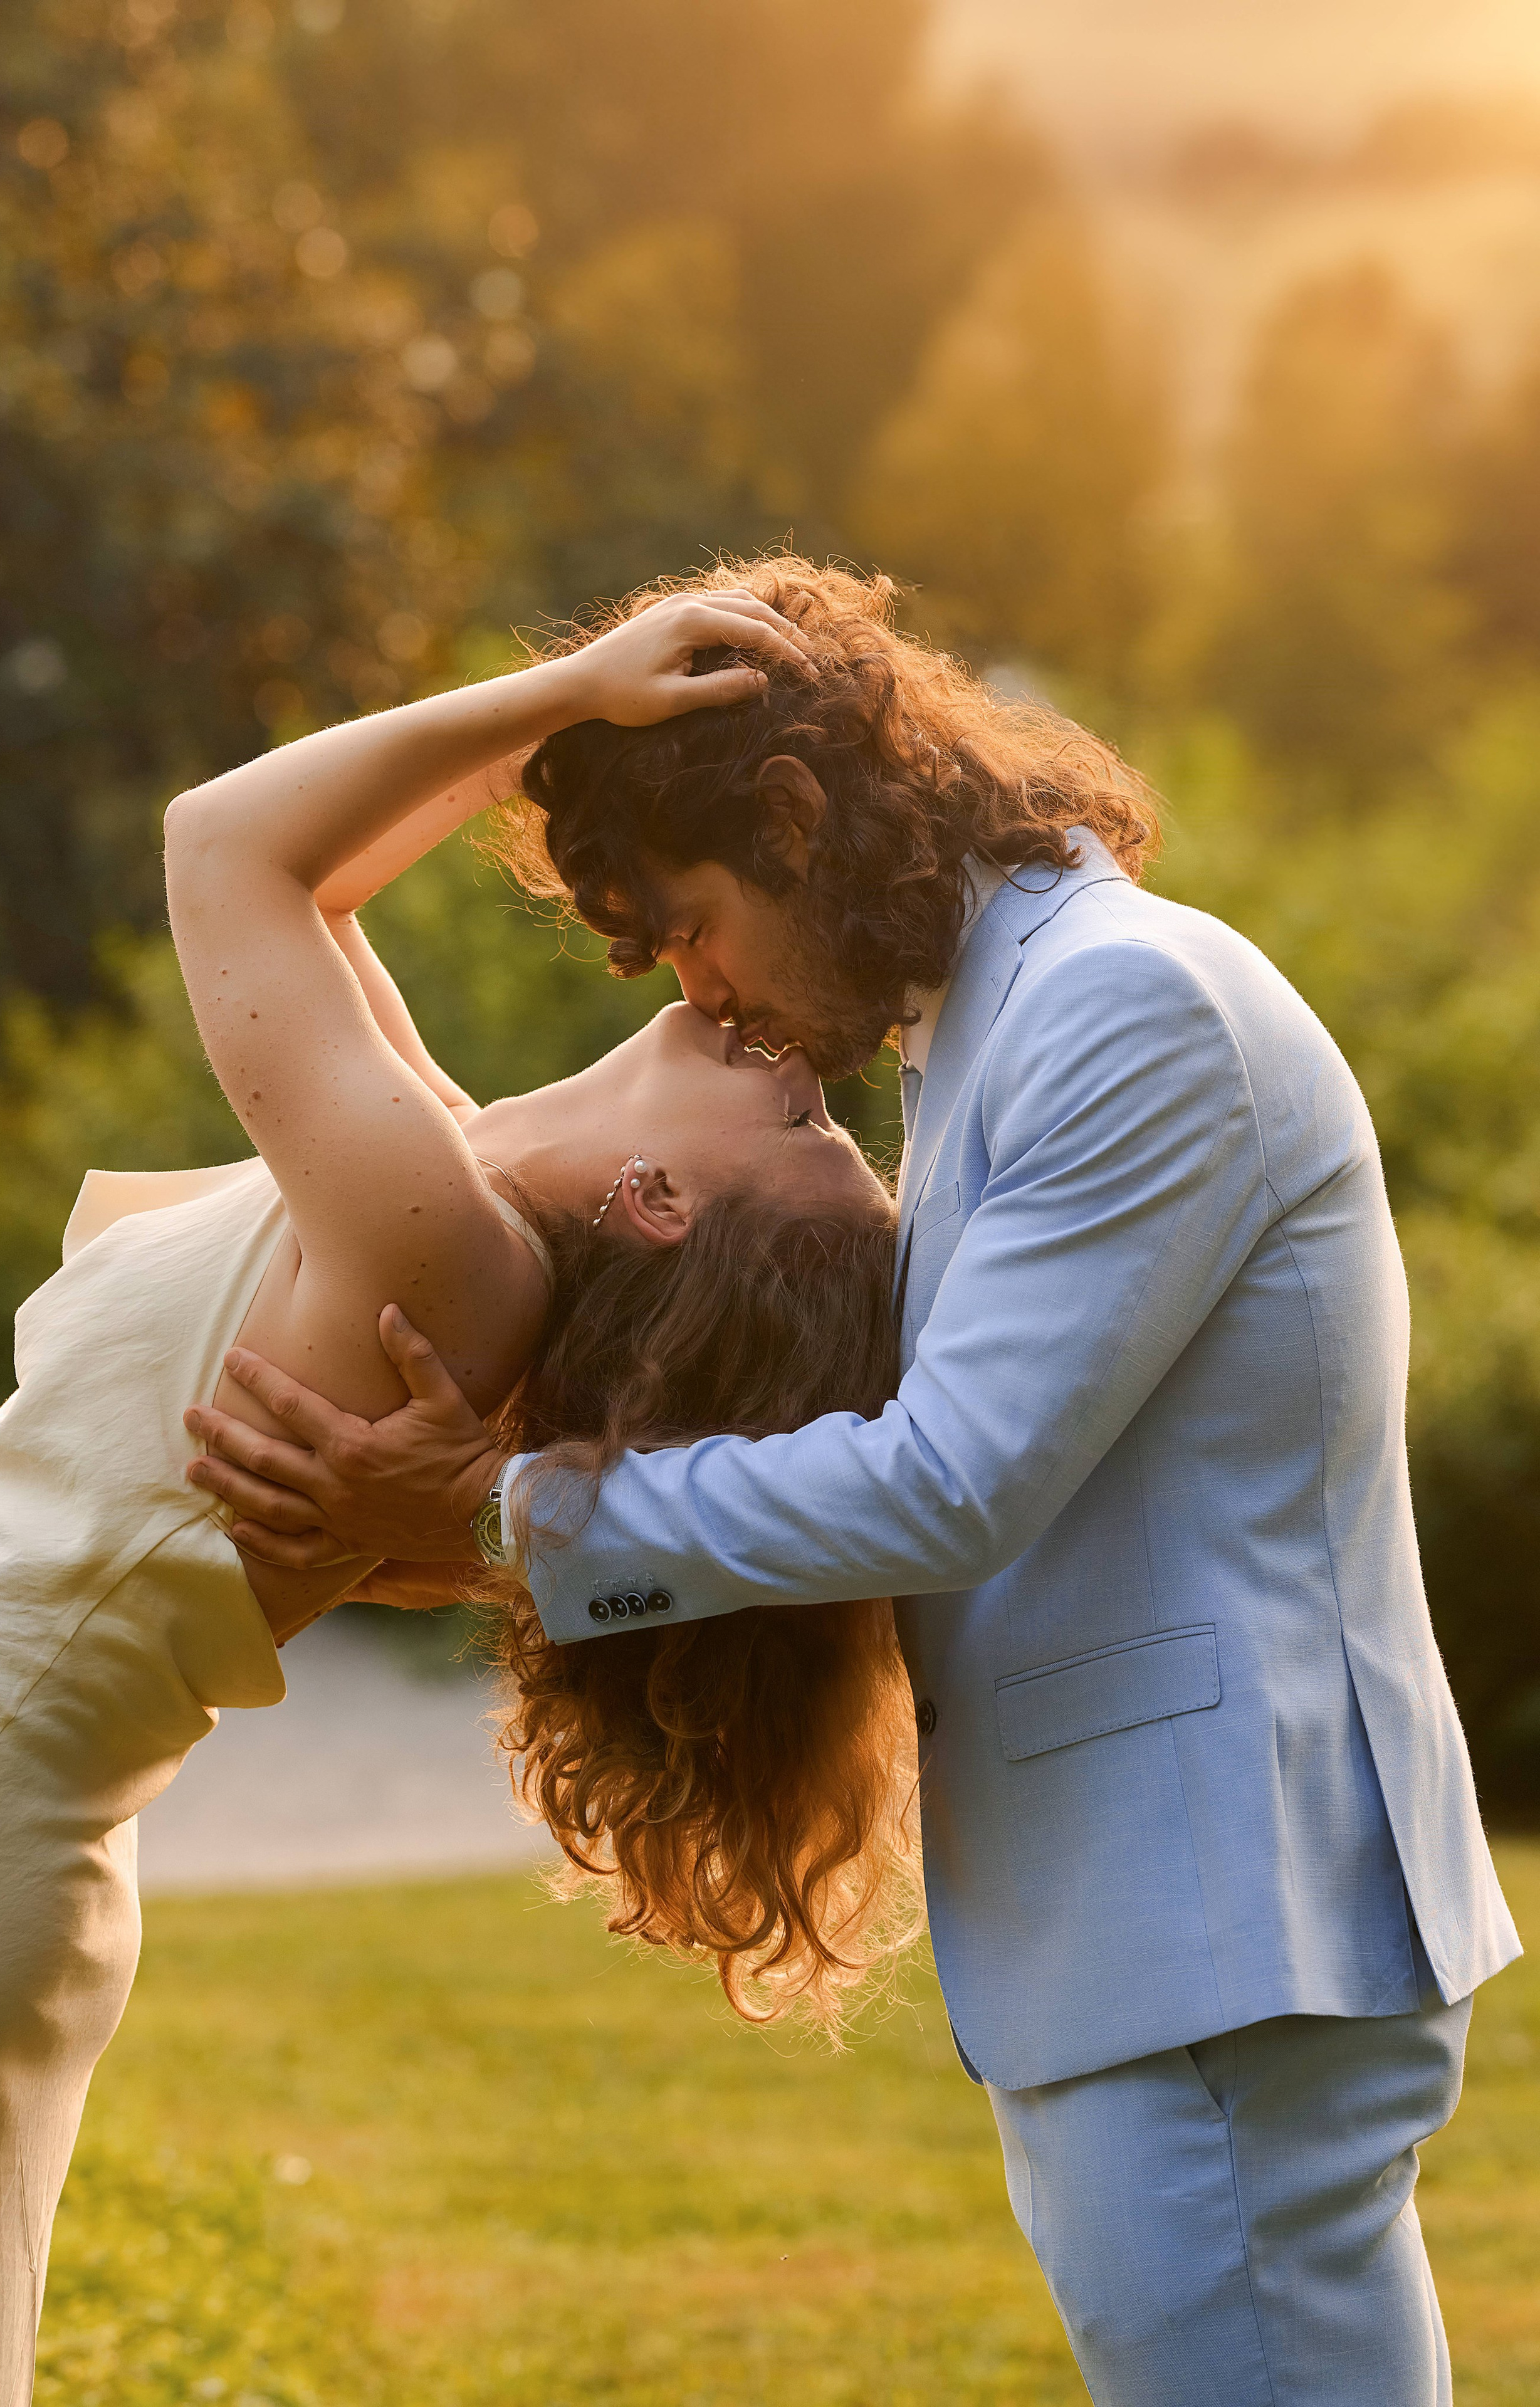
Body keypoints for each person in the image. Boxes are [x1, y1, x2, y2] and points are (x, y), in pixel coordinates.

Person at [194, 555, 1522, 2407]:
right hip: (1166, 1931)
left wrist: (513, 1516)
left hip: (1224, 1921)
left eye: (692, 921)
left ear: (802, 819)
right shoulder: (1001, 1028)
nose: (700, 987)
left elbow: (949, 1486)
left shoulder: (1116, 1010)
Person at [0, 587, 914, 2407]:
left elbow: (223, 846)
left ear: (663, 1208)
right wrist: (586, 766)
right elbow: (312, 897)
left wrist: (569, 698)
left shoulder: (446, 1262)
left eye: (805, 1137)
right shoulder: (446, 1182)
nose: (802, 1069)